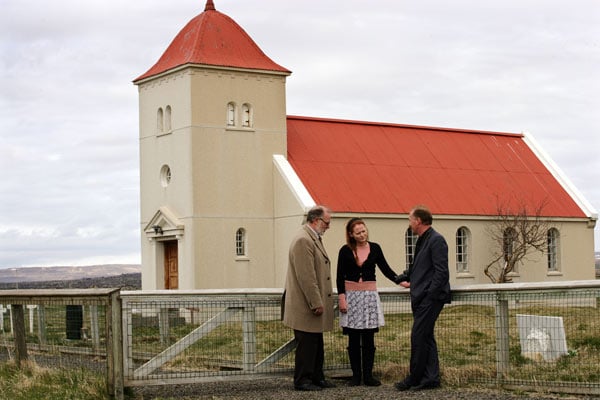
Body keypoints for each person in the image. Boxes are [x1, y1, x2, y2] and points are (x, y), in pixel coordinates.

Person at [337, 217, 403, 386]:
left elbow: (385, 269)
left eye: (364, 231)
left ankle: (368, 375)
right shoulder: (345, 251)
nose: (362, 235)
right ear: (351, 235)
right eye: (358, 233)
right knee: (353, 338)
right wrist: (342, 298)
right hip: (351, 297)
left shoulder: (375, 248)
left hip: (369, 297)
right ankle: (356, 376)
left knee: (368, 338)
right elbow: (339, 276)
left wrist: (401, 281)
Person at [395, 205, 451, 391]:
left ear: (418, 221)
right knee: (426, 337)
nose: (409, 223)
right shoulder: (423, 240)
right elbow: (419, 267)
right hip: (422, 297)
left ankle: (414, 378)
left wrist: (429, 295)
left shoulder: (436, 240)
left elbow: (441, 272)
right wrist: (403, 277)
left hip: (430, 299)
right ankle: (431, 378)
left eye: (410, 219)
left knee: (418, 337)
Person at [282, 205, 336, 391]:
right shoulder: (304, 240)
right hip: (305, 305)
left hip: (311, 303)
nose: (328, 226)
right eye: (327, 222)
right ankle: (303, 379)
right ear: (316, 220)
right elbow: (306, 276)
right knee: (306, 344)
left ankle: (316, 376)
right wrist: (316, 302)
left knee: (315, 342)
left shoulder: (312, 238)